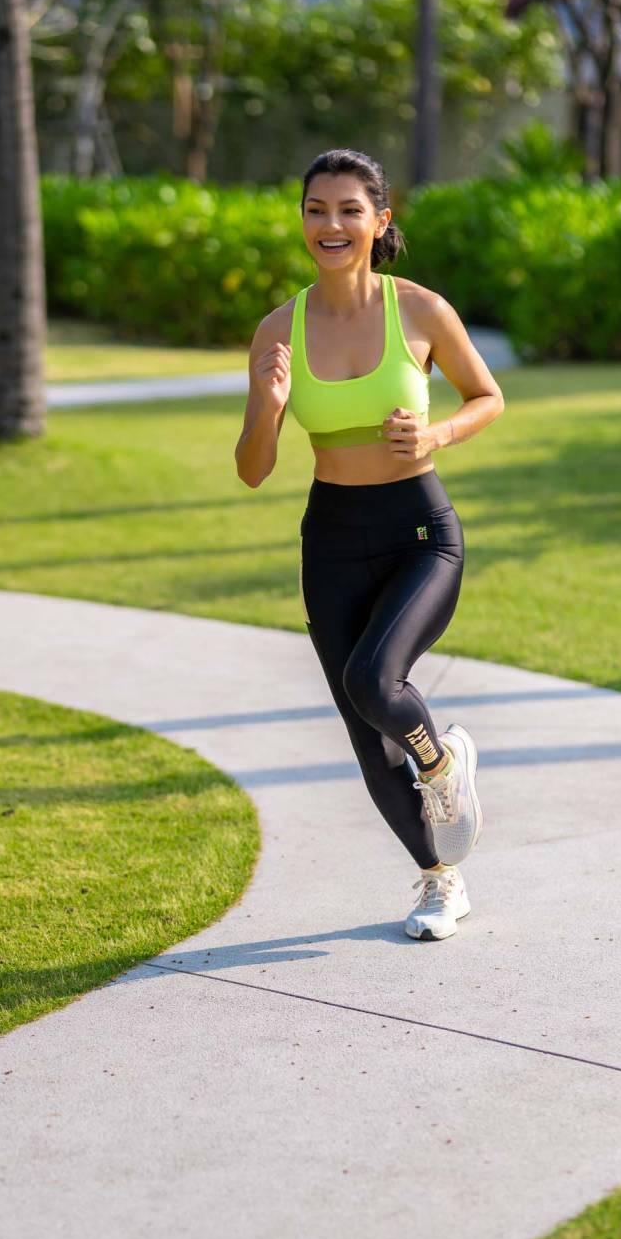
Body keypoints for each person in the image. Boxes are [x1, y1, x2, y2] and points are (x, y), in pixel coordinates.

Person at [234, 147, 505, 941]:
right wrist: (267, 405)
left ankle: (442, 763)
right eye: (316, 210)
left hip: (421, 532)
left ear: (380, 221)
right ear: (302, 220)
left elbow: (487, 396)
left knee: (372, 681)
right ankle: (440, 880)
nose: (332, 224)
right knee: (365, 737)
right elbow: (253, 469)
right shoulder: (277, 331)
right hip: (332, 538)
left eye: (349, 210)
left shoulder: (419, 310)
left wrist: (438, 432)